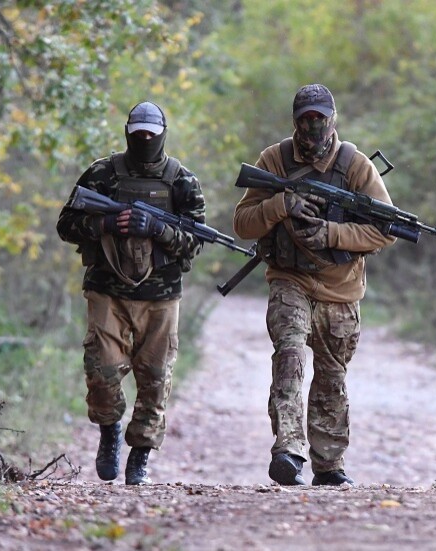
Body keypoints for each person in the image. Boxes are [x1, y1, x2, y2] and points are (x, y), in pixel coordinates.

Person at [233, 84, 396, 486]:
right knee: (289, 356)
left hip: (341, 288)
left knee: (331, 378)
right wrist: (280, 205)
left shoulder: (355, 165)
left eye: (319, 118)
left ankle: (328, 464)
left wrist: (330, 233)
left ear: (332, 119)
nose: (312, 127)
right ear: (295, 121)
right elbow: (243, 224)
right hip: (290, 279)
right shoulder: (274, 160)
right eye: (305, 119)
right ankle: (288, 449)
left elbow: (386, 230)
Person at [56, 101, 205, 485]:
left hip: (162, 296)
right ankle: (109, 431)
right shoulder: (102, 174)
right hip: (108, 290)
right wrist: (106, 223)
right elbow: (66, 224)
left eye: (150, 135)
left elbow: (196, 242)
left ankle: (140, 456)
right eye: (138, 134)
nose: (144, 140)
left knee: (155, 379)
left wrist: (158, 229)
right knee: (101, 371)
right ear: (127, 133)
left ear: (163, 135)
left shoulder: (182, 181)